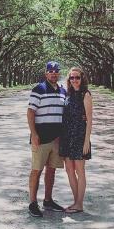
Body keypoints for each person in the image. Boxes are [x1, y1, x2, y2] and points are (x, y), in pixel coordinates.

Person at [27, 61, 67, 217]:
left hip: (57, 139)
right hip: (41, 138)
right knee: (37, 170)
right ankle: (32, 203)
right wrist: (34, 134)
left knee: (51, 170)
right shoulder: (39, 89)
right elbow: (30, 113)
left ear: (59, 73)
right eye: (50, 71)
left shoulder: (63, 91)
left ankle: (48, 200)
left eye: (56, 71)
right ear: (46, 74)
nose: (53, 73)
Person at [59, 67, 93, 213]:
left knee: (80, 171)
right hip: (66, 136)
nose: (74, 80)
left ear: (82, 78)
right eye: (72, 78)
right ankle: (75, 202)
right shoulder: (68, 94)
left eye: (77, 77)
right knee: (69, 170)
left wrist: (87, 141)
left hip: (79, 137)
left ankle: (80, 204)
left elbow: (90, 119)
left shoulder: (86, 95)